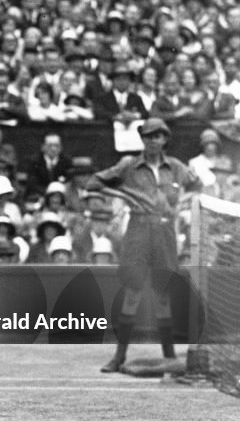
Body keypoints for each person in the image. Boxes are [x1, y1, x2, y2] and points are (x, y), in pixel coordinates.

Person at [85, 118, 201, 373]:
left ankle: (169, 356)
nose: (152, 141)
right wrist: (124, 195)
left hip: (165, 232)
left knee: (162, 294)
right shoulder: (129, 165)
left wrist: (181, 201)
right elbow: (94, 183)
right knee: (133, 292)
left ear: (165, 139)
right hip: (138, 231)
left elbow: (197, 185)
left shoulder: (177, 168)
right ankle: (119, 357)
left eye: (157, 136)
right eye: (148, 136)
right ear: (142, 139)